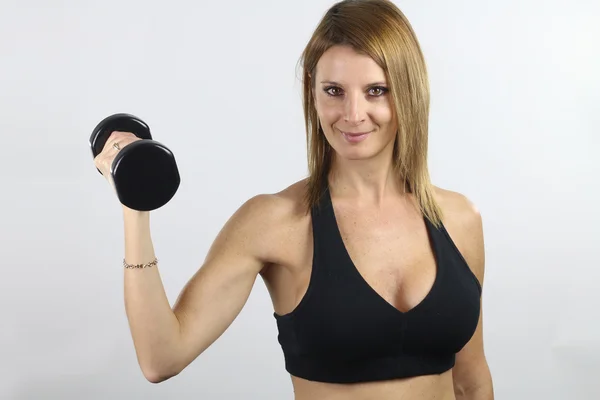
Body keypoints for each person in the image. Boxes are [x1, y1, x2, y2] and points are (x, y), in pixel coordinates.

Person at [93, 0, 494, 399]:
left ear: (408, 92)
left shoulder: (459, 219)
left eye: (376, 91)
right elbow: (162, 358)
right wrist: (135, 204)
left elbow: (471, 381)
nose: (353, 114)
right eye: (334, 91)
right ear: (312, 92)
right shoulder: (275, 223)